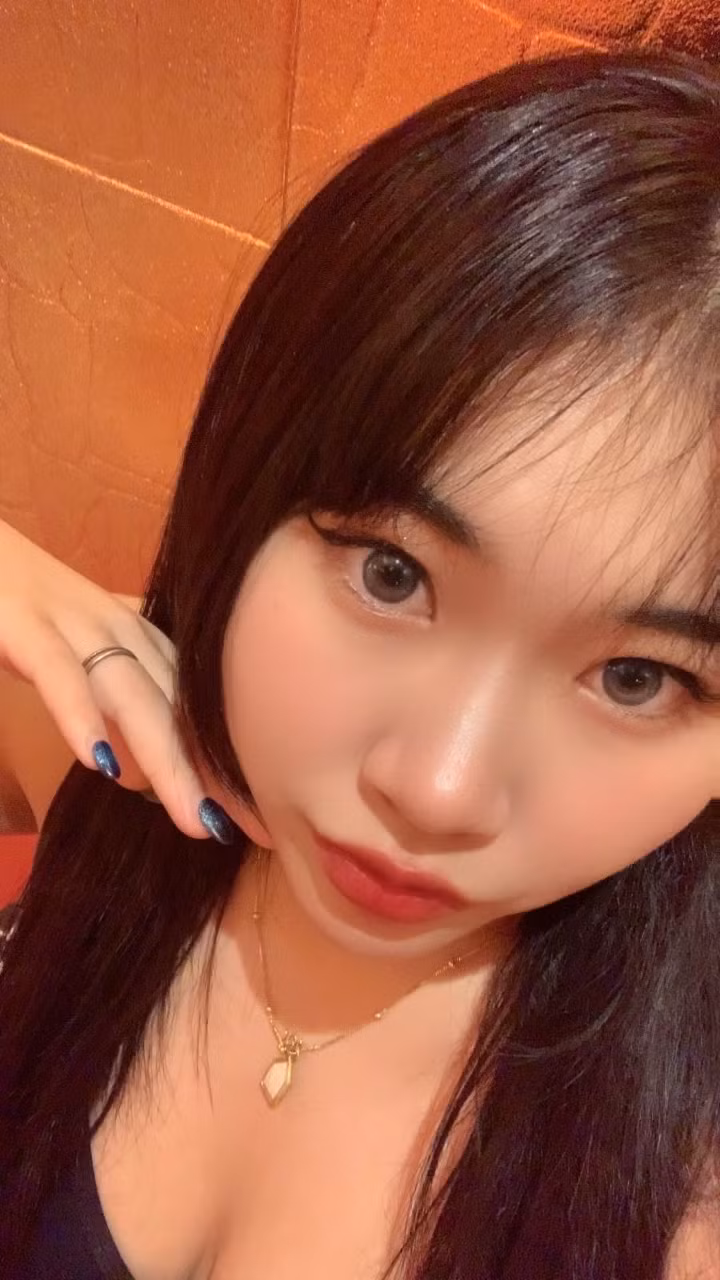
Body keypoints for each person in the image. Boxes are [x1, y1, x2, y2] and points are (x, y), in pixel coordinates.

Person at [0, 43, 719, 1280]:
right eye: (392, 572)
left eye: (639, 677)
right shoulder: (101, 738)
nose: (438, 790)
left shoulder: (680, 1201)